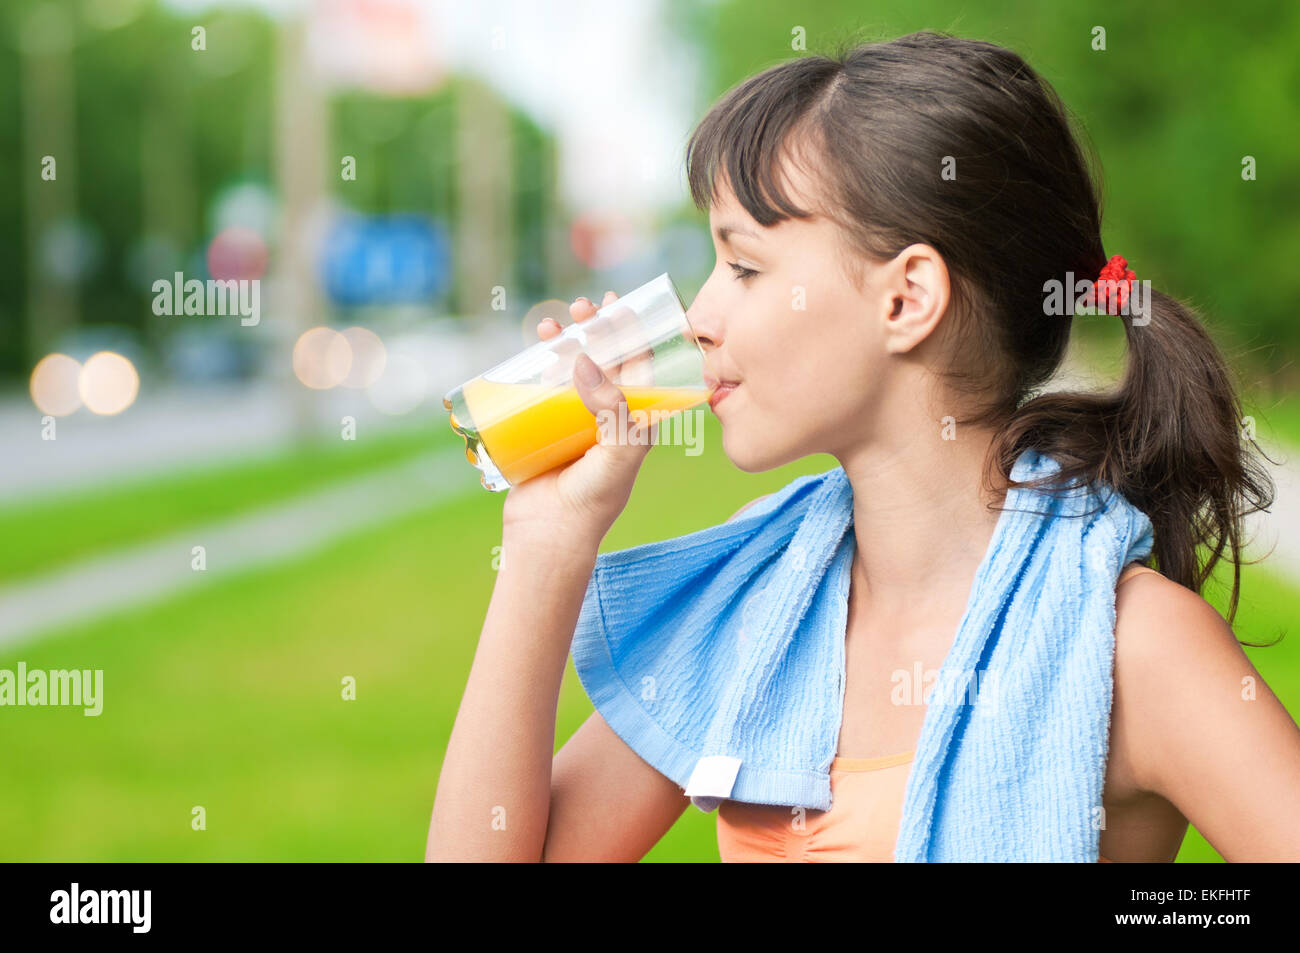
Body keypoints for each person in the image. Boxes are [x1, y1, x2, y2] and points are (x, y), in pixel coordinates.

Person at [425, 31, 1297, 862]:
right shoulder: (759, 605)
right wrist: (547, 541)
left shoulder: (1131, 643)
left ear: (907, 296)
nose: (698, 317)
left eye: (745, 267)